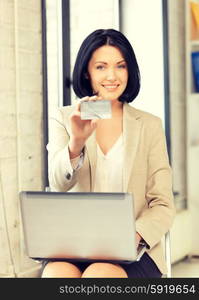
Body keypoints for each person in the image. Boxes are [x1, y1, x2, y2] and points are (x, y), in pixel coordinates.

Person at [41, 29, 175, 278]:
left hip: (133, 249)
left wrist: (130, 238)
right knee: (56, 274)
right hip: (75, 247)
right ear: (86, 72)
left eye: (120, 66)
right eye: (101, 67)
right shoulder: (65, 117)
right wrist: (76, 143)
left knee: (100, 274)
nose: (112, 76)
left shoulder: (149, 125)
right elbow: (57, 184)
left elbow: (163, 203)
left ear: (129, 71)